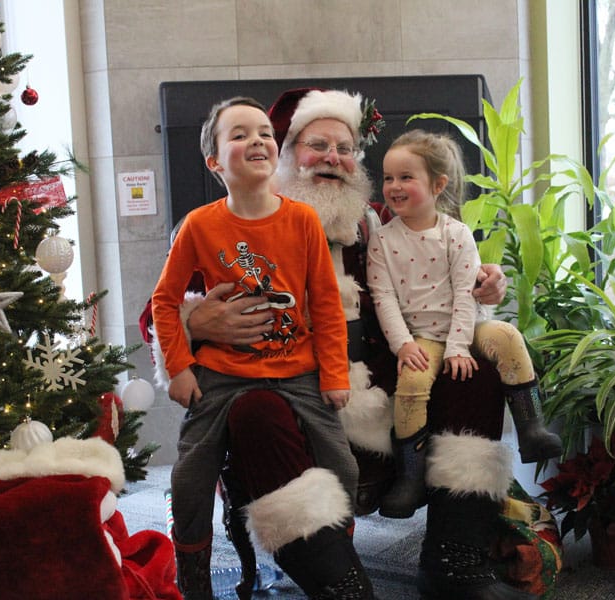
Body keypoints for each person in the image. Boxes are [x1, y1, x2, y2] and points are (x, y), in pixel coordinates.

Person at [147, 88, 557, 600]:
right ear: (288, 154)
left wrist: (482, 286)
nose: (333, 159)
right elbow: (157, 310)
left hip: (377, 383)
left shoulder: (376, 223)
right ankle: (338, 581)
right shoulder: (218, 224)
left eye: (345, 148)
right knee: (255, 412)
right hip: (277, 385)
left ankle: (455, 557)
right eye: (317, 144)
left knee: (470, 369)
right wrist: (198, 323)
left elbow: (441, 268)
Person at [150, 96, 373, 600]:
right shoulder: (199, 226)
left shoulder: (302, 221)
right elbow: (164, 302)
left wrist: (335, 374)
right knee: (188, 478)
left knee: (345, 466)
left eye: (264, 133)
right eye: (239, 134)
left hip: (297, 374)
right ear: (213, 162)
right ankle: (194, 580)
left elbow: (325, 306)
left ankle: (341, 566)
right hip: (220, 377)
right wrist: (180, 366)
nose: (257, 140)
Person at [367, 130, 562, 518]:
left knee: (507, 336)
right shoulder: (382, 240)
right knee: (412, 381)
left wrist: (459, 346)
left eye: (406, 177)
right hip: (421, 335)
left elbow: (463, 294)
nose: (394, 186)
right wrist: (403, 345)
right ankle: (411, 475)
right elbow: (383, 297)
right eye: (388, 178)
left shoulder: (456, 234)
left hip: (468, 326)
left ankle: (530, 427)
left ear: (438, 185)